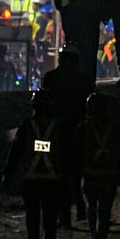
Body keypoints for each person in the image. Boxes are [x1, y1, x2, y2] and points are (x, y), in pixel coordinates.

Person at [2, 89, 69, 239]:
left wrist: (7, 173)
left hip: (31, 180)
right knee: (50, 218)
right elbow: (66, 153)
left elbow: (16, 151)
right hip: (52, 181)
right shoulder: (58, 127)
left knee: (32, 217)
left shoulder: (27, 126)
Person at [40, 42, 93, 226]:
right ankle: (81, 209)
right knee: (77, 172)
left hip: (54, 131)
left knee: (57, 172)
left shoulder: (50, 78)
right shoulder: (84, 80)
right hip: (77, 131)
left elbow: (43, 104)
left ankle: (63, 215)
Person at [76, 93, 120, 239]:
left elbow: (75, 154)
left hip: (89, 176)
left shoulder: (83, 129)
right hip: (109, 177)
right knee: (104, 212)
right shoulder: (114, 129)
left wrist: (77, 174)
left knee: (91, 210)